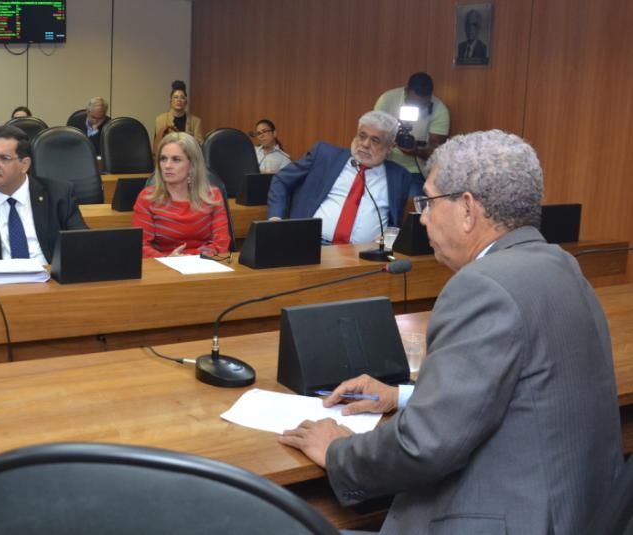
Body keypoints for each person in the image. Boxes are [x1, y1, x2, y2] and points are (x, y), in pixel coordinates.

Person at [278, 130, 623, 534]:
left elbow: (422, 445)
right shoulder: (562, 265)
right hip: (571, 511)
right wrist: (402, 395)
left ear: (467, 209)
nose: (422, 216)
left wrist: (337, 450)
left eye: (427, 201)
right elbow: (515, 389)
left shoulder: (483, 286)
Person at [0, 125, 87, 269]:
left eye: (4, 158)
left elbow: (83, 244)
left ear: (24, 165)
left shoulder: (58, 194)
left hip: (50, 277)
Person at [267, 111, 413, 244]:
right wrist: (275, 219)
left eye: (375, 140)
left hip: (365, 253)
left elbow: (395, 221)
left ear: (390, 147)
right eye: (362, 136)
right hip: (310, 244)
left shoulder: (400, 176)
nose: (365, 144)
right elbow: (281, 180)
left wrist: (386, 241)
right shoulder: (324, 155)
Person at [132, 132, 229, 258]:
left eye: (176, 160)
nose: (167, 166)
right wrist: (168, 260)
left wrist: (192, 258)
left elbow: (221, 242)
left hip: (204, 263)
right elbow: (141, 246)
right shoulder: (147, 198)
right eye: (163, 159)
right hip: (162, 265)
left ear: (192, 165)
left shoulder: (212, 196)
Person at [374, 72, 449, 197]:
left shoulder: (439, 110)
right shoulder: (388, 99)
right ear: (406, 91)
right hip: (384, 164)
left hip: (415, 171)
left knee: (411, 203)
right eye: (414, 103)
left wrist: (416, 151)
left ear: (430, 96)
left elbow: (437, 152)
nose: (417, 107)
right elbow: (373, 132)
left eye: (422, 105)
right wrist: (388, 141)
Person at [154, 80, 203, 152]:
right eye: (175, 97)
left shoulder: (196, 121)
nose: (179, 100)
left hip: (188, 154)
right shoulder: (160, 119)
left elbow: (199, 144)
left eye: (182, 97)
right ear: (171, 101)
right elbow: (159, 143)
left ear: (186, 102)